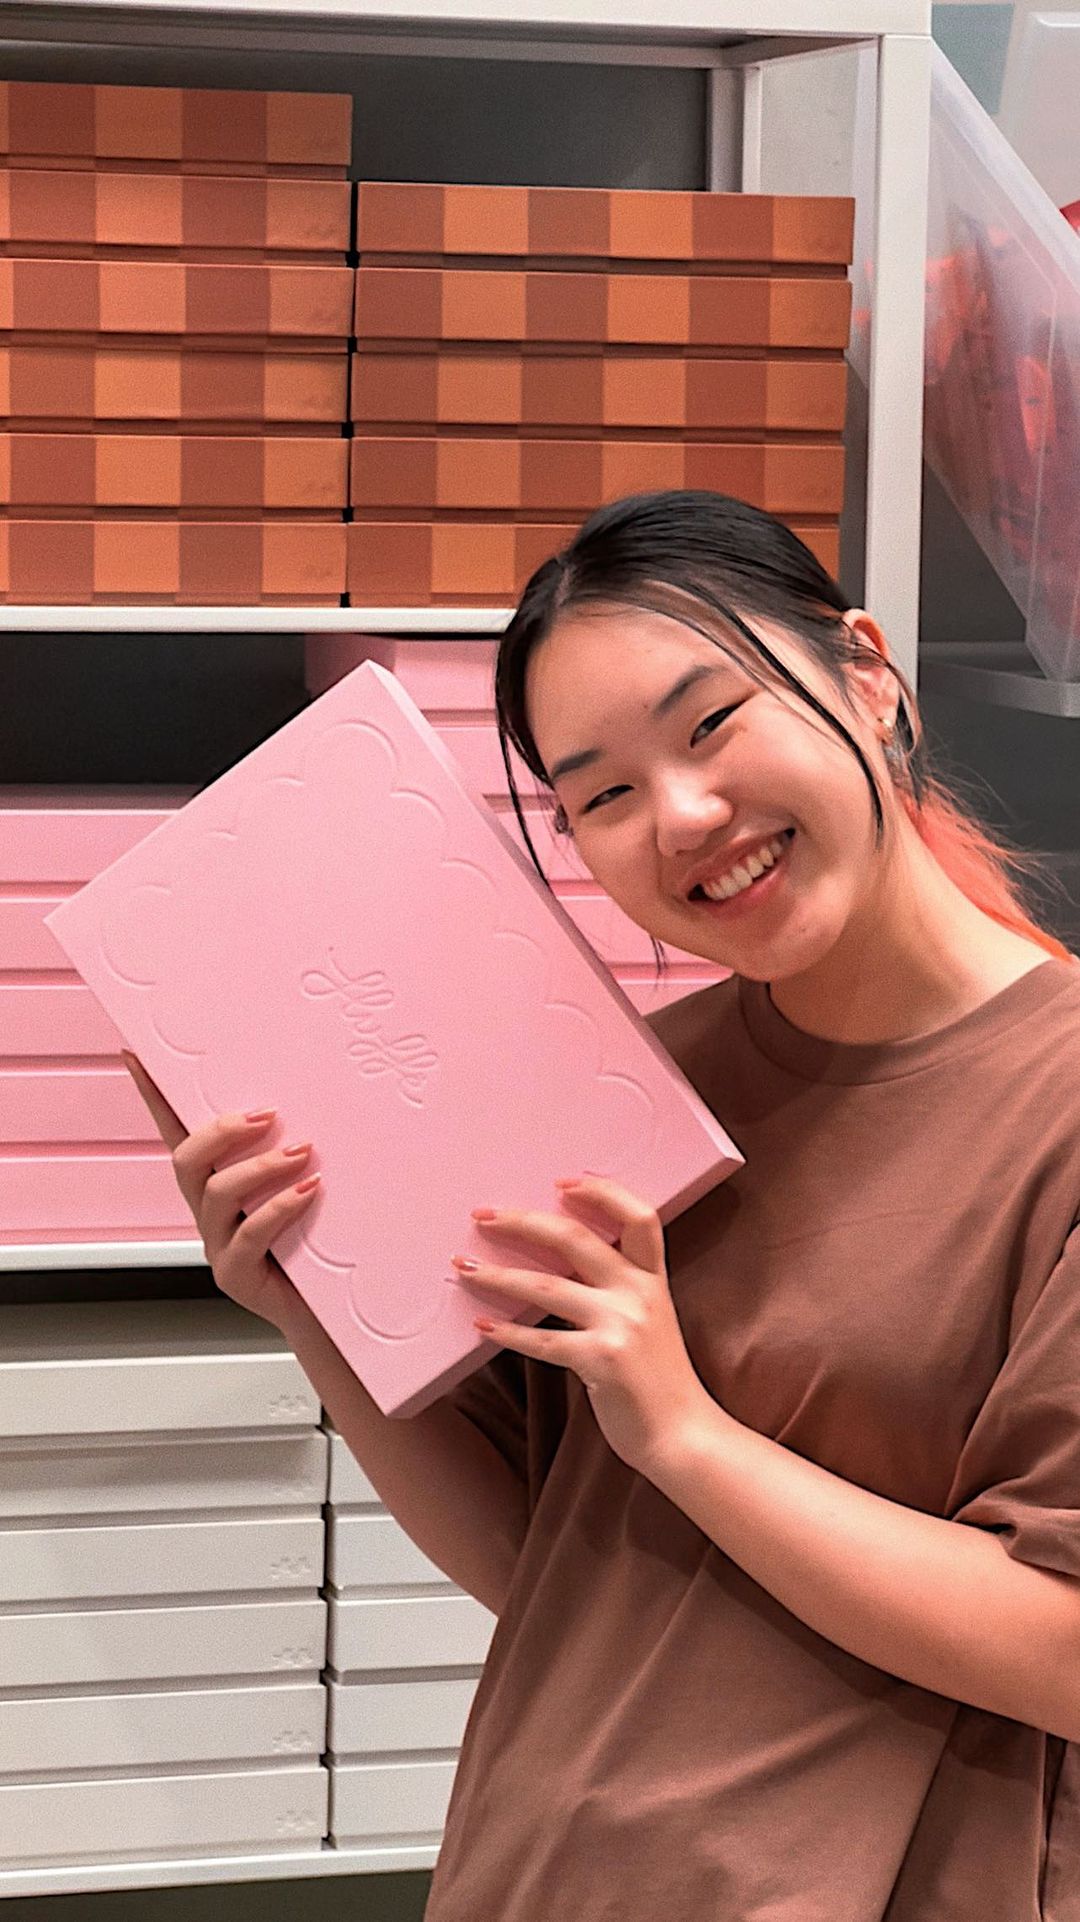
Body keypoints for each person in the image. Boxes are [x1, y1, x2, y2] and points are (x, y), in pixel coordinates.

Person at [128, 491, 1080, 1921]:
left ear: (868, 676)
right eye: (604, 796)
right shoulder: (625, 1099)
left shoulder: (1055, 1102)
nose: (685, 818)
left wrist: (682, 1428)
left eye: (713, 723)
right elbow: (546, 1561)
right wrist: (306, 1302)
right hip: (541, 1869)